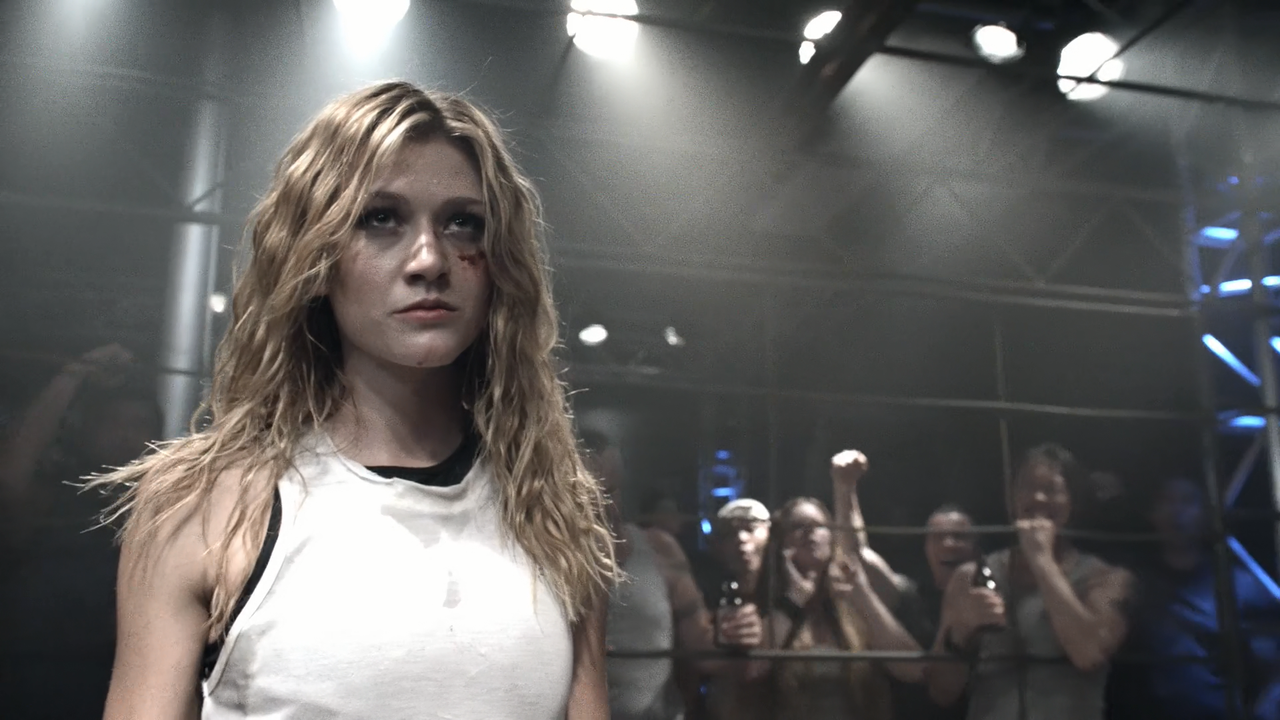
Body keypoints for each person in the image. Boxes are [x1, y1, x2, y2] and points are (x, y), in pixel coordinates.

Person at [90, 82, 619, 720]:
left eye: (462, 222)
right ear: (316, 255)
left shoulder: (556, 512)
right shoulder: (204, 506)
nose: (429, 260)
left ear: (499, 262)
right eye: (380, 218)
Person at [0, 344, 159, 720]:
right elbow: (12, 474)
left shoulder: (163, 507)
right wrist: (73, 375)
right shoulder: (52, 493)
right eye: (113, 422)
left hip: (111, 684)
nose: (125, 434)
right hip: (30, 679)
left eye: (138, 424)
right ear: (85, 429)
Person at [928, 443, 1134, 720]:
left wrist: (1042, 560)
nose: (1038, 498)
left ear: (1073, 500)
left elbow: (1089, 654)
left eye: (1051, 489)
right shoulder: (970, 577)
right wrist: (959, 635)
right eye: (1027, 486)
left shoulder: (1106, 578)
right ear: (1012, 498)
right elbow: (941, 693)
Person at [581, 429, 763, 720]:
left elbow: (703, 651)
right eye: (590, 495)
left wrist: (740, 633)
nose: (604, 505)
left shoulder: (659, 549)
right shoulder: (544, 562)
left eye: (611, 491)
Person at [1107, 476, 1280, 720]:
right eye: (1167, 501)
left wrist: (1264, 708)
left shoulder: (1238, 583)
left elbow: (1272, 657)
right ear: (1152, 514)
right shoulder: (1133, 581)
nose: (1176, 511)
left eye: (1188, 501)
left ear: (1205, 514)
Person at [751, 486, 926, 720]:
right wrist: (796, 597)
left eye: (818, 525)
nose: (809, 532)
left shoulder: (852, 600)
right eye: (798, 526)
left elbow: (914, 670)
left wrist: (862, 595)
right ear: (782, 543)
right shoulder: (770, 605)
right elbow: (754, 668)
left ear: (832, 537)